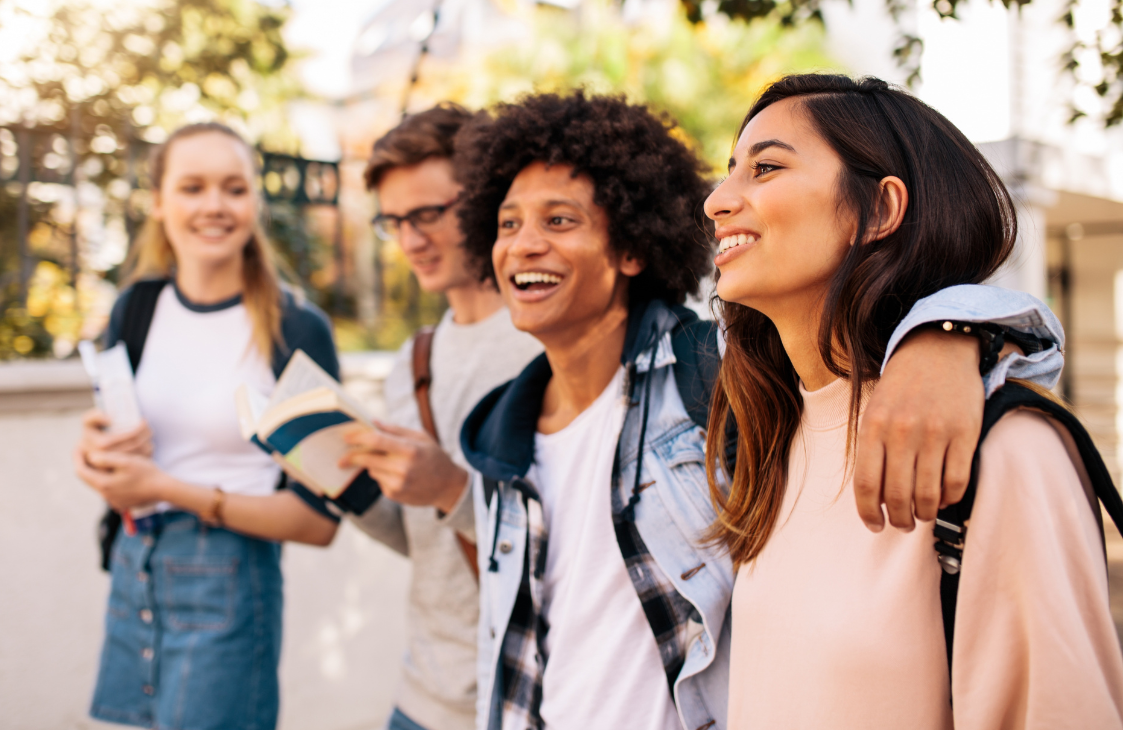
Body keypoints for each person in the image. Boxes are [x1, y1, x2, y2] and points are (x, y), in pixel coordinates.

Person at [451, 90, 1065, 730]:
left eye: (558, 221)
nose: (522, 245)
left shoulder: (712, 377)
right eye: (507, 224)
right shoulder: (498, 435)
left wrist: (947, 335)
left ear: (632, 246)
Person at [703, 74, 1123, 729]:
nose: (718, 201)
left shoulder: (1002, 446)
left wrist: (956, 331)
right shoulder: (766, 440)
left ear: (878, 210)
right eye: (729, 172)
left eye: (766, 167)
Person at [73, 122, 343, 730]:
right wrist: (93, 458)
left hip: (230, 581)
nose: (214, 206)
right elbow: (116, 454)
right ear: (159, 202)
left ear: (256, 202)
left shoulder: (295, 330)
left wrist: (164, 488)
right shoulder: (135, 308)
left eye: (234, 188)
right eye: (192, 187)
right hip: (134, 567)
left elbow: (318, 520)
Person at [336, 104, 544, 730]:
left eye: (428, 214)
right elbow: (425, 545)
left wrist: (451, 488)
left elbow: (582, 540)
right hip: (422, 696)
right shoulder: (413, 359)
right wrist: (341, 484)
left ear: (484, 198)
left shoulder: (548, 341)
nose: (411, 240)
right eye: (394, 221)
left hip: (524, 697)